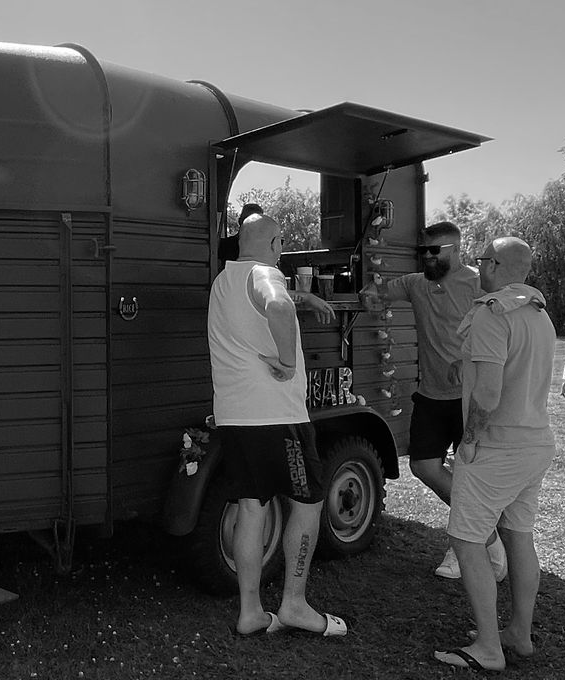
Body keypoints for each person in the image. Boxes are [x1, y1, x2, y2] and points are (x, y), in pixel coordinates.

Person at [207, 211, 345, 637]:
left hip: (236, 419)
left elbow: (258, 306)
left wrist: (306, 298)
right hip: (278, 419)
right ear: (274, 244)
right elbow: (277, 305)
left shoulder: (223, 281)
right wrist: (287, 362)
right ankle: (294, 605)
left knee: (252, 507)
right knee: (307, 504)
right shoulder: (268, 274)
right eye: (282, 244)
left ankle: (251, 613)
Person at [358, 221, 507, 581]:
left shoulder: (477, 283)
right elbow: (377, 292)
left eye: (434, 250)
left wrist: (471, 361)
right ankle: (488, 536)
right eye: (422, 251)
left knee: (471, 476)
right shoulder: (415, 284)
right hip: (430, 395)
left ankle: (463, 547)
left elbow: (505, 324)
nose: (427, 256)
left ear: (455, 250)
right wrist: (368, 294)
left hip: (469, 397)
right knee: (424, 467)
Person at [434, 236, 555, 671]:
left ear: (496, 265)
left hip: (497, 447)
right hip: (533, 442)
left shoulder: (490, 314)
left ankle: (488, 647)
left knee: (466, 540)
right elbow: (507, 369)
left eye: (483, 259)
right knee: (519, 537)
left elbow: (487, 394)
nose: (478, 266)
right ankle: (518, 635)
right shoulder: (537, 313)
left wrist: (467, 442)